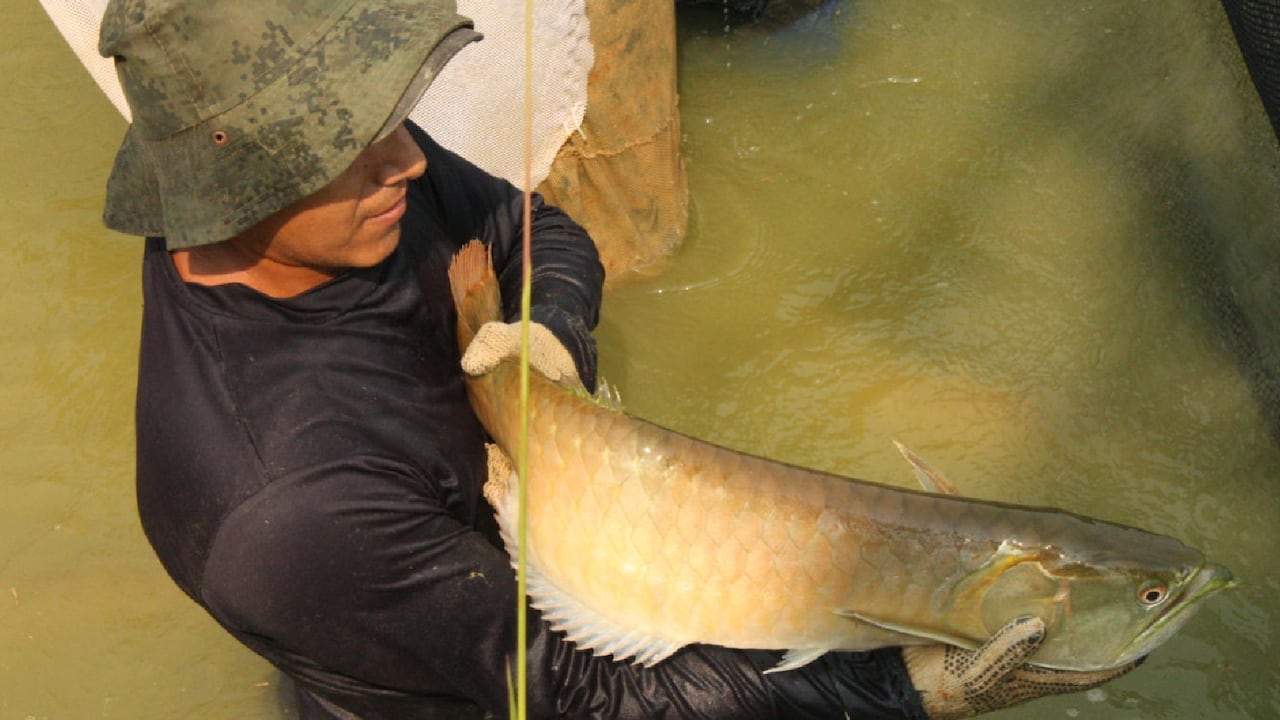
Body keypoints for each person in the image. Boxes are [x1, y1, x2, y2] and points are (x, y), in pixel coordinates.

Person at [97, 1, 1135, 718]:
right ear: (225, 183)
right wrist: (906, 691)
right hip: (470, 669)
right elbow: (588, 700)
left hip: (487, 555)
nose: (405, 158)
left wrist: (548, 337)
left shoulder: (345, 193)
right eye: (348, 144)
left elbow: (530, 225)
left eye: (379, 120)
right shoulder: (291, 508)